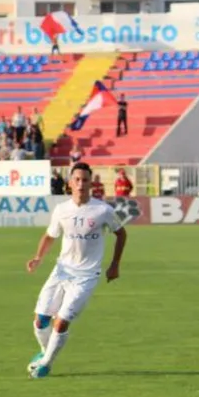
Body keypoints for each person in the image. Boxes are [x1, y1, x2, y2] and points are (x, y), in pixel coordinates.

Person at [26, 162, 128, 379]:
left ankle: (46, 364)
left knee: (61, 321)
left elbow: (121, 234)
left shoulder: (103, 210)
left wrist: (115, 264)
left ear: (92, 184)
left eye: (85, 180)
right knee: (40, 320)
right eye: (77, 180)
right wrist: (38, 258)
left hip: (87, 276)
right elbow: (50, 235)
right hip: (61, 271)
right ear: (70, 183)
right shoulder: (62, 210)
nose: (81, 184)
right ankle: (45, 352)